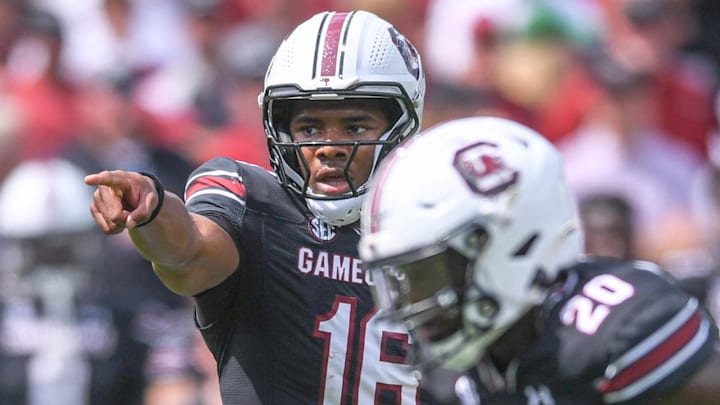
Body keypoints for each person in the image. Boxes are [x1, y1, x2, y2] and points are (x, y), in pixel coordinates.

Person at [84, 9, 430, 405]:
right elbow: (190, 252)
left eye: (354, 127)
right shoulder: (255, 206)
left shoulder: (441, 225)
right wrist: (152, 208)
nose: (329, 146)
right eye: (310, 128)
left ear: (402, 125)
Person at [358, 116, 720, 404]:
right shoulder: (452, 373)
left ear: (508, 248)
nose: (413, 300)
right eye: (403, 279)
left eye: (424, 274)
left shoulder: (618, 330)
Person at [0, 158, 199, 405]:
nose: (53, 267)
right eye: (39, 252)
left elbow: (173, 391)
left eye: (64, 252)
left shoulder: (129, 316)